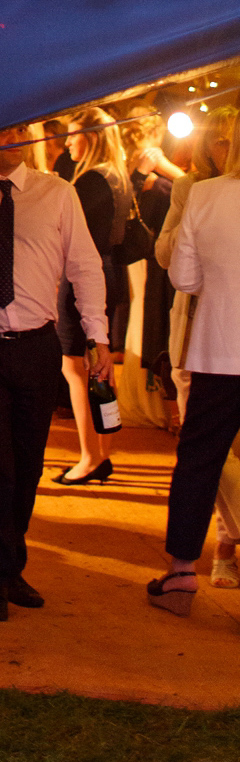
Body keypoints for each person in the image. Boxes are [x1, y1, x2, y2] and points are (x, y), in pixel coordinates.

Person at [0, 126, 112, 621]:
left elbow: (85, 266)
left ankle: (9, 566)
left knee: (26, 464)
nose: (6, 137)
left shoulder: (58, 193)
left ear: (27, 137)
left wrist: (98, 337)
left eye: (16, 128)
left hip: (36, 345)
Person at [148, 112, 240, 615]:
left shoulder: (205, 195)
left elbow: (182, 277)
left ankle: (182, 573)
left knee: (199, 462)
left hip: (220, 350)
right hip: (221, 348)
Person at [53, 107, 131, 484]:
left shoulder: (89, 183)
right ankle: (101, 453)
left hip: (86, 276)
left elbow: (73, 243)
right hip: (111, 272)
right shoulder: (118, 177)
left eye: (73, 134)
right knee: (98, 367)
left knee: (75, 369)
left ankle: (89, 456)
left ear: (93, 136)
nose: (67, 143)